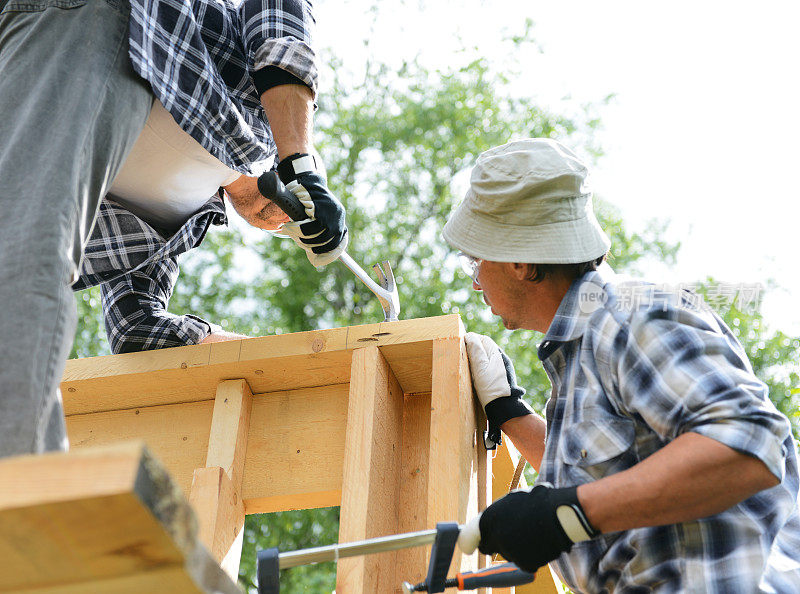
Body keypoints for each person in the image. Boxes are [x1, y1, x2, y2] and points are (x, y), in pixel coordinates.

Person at [445, 138, 800, 592]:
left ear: (519, 260)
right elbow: (613, 476)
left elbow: (749, 445)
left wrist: (567, 514)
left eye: (477, 260)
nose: (475, 283)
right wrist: (509, 413)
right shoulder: (580, 362)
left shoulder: (635, 316)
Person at [0, 0, 347, 457]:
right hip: (99, 17)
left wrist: (256, 354)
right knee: (26, 261)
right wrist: (300, 162)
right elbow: (280, 14)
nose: (282, 215)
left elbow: (135, 326)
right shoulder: (255, 120)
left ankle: (29, 493)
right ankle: (24, 494)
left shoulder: (186, 211)